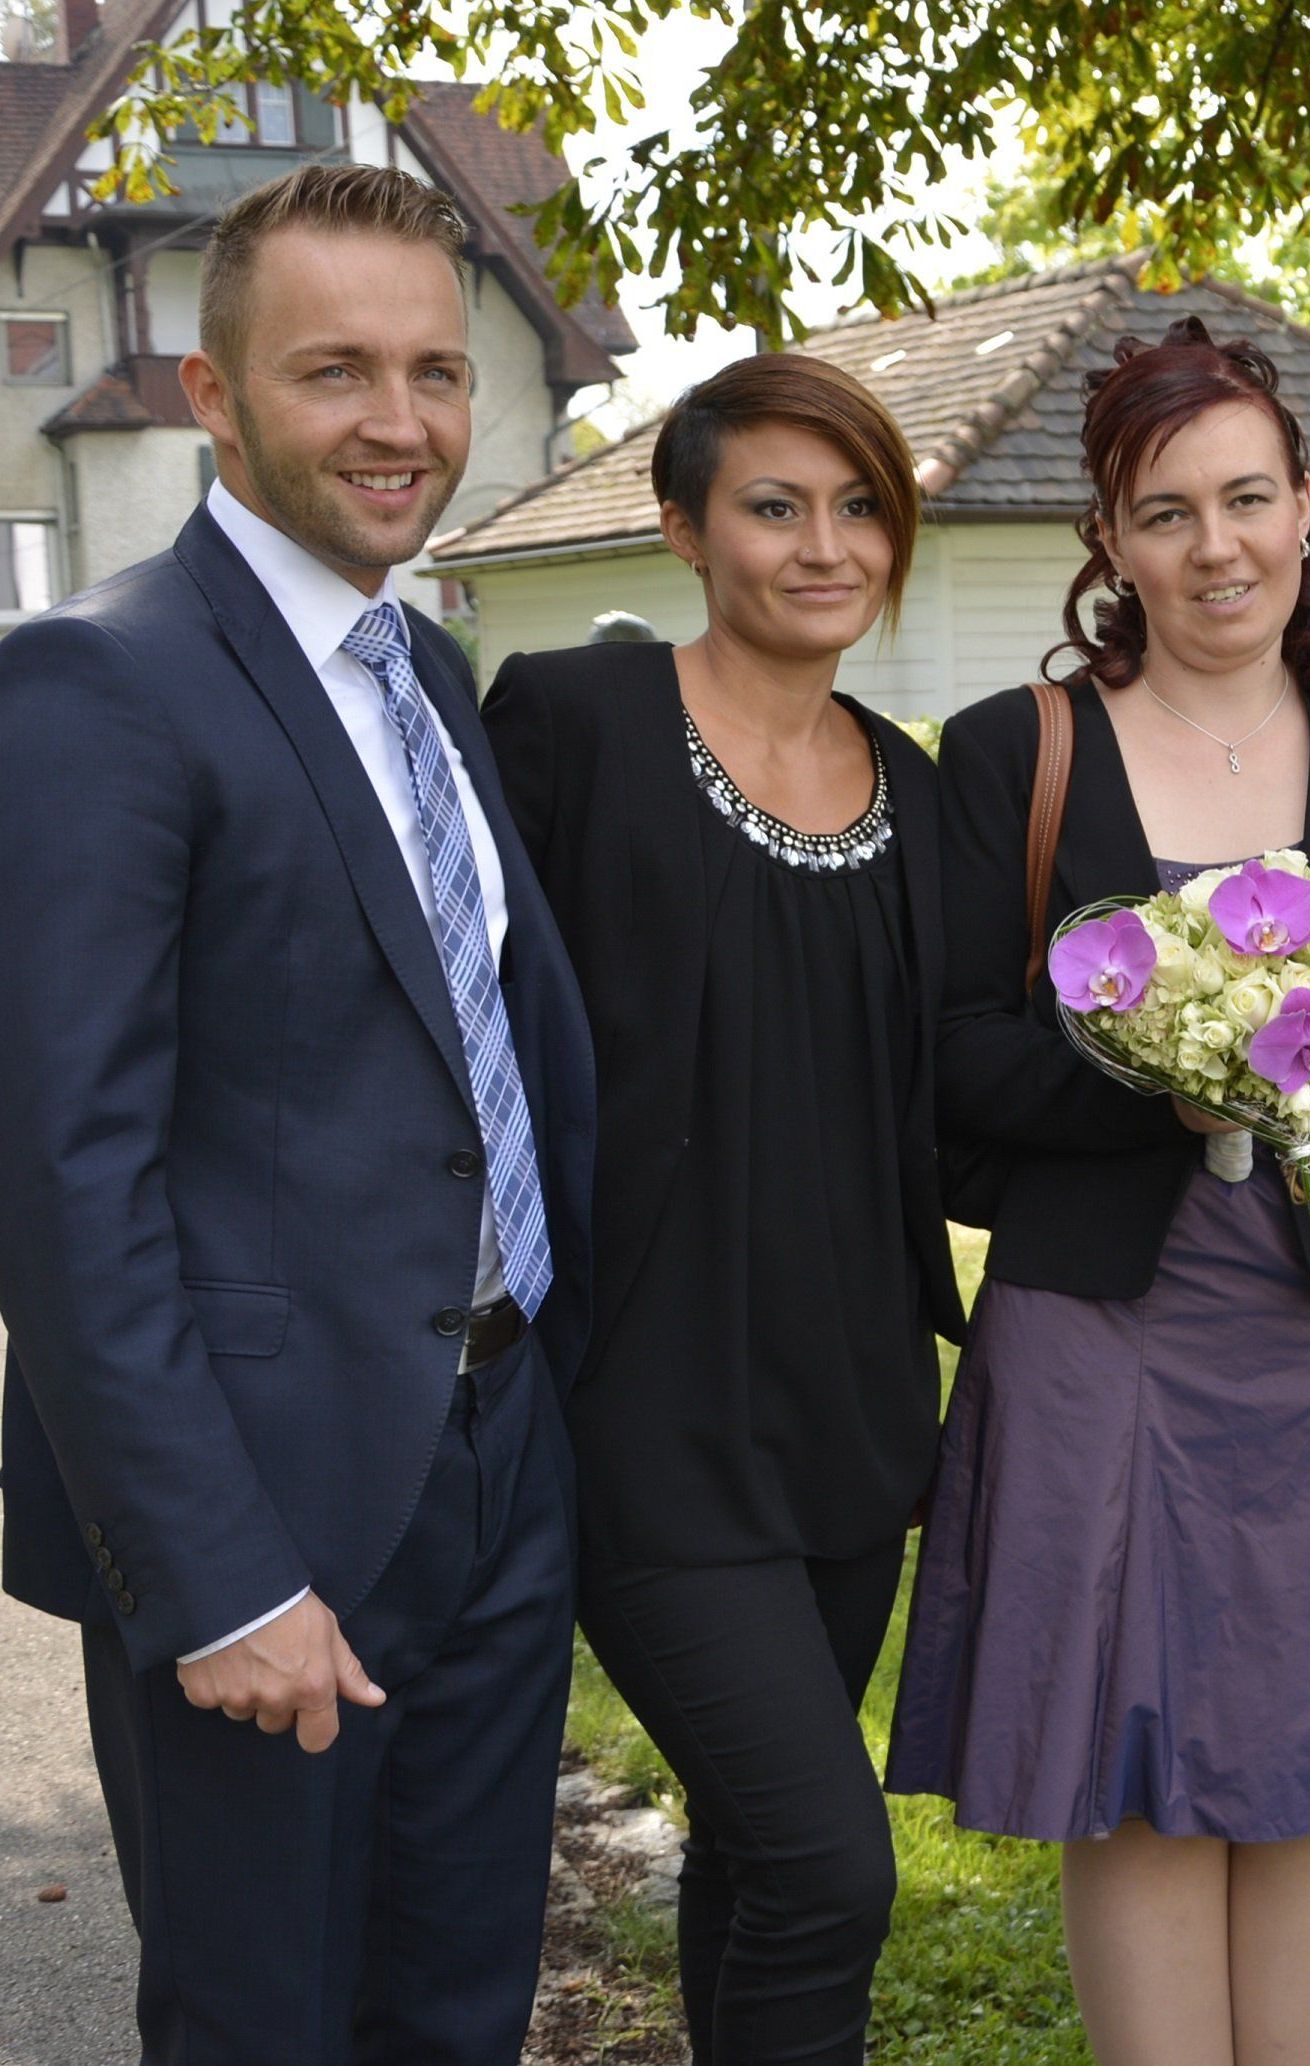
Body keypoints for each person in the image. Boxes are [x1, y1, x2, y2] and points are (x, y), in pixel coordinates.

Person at [887, 316, 1310, 2066]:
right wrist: (1161, 1065)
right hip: (1108, 1322)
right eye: (1168, 510)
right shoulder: (1012, 748)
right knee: (1137, 1766)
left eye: (1248, 497)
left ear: (1306, 508)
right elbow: (957, 1063)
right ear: (1111, 541)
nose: (1218, 546)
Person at [0, 164, 593, 2064]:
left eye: (435, 371)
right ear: (212, 395)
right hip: (268, 1497)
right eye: (336, 370)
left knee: (458, 2007)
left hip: (496, 1459)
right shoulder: (98, 679)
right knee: (268, 2025)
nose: (402, 422)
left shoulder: (421, 663)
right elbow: (66, 1179)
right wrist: (220, 1571)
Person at [479, 355, 962, 2065]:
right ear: (684, 527)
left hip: (850, 1416)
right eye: (774, 506)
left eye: (856, 508)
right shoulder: (569, 720)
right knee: (831, 1865)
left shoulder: (918, 792)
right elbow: (460, 1029)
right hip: (643, 1413)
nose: (823, 545)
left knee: (761, 1851)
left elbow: (952, 1106)